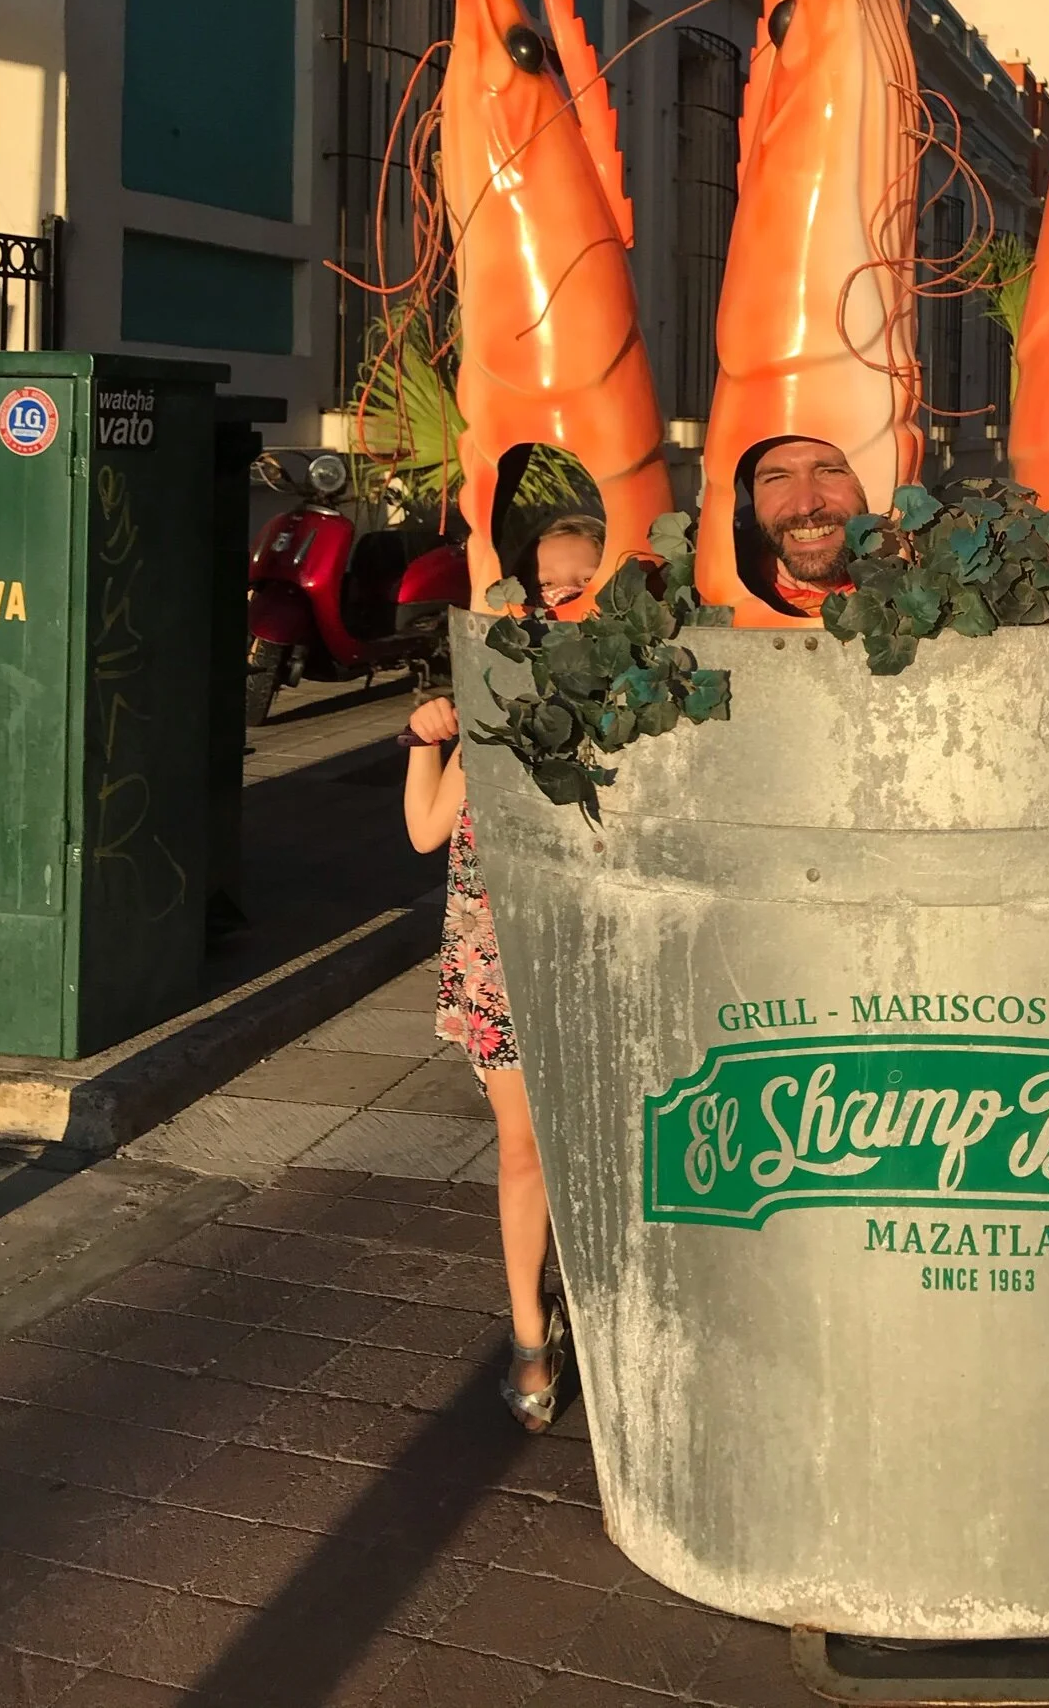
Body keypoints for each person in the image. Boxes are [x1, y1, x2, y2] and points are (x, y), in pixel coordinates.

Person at [403, 509, 605, 1431]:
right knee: (524, 1151)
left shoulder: (637, 698)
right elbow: (425, 829)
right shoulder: (494, 696)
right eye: (543, 588)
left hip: (602, 955)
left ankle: (609, 1314)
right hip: (502, 957)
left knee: (609, 1155)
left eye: (579, 586)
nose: (556, 604)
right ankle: (530, 1330)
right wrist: (427, 739)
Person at [739, 437, 871, 615]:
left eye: (831, 472)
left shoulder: (919, 583)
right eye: (777, 478)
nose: (805, 507)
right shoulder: (701, 606)